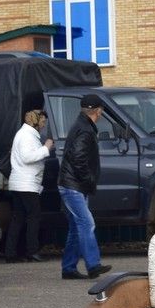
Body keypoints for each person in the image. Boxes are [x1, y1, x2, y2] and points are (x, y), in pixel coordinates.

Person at [58, 93, 111, 281]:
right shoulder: (85, 130)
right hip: (74, 186)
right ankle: (93, 265)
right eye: (102, 109)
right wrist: (88, 180)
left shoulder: (82, 125)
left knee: (76, 226)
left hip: (72, 184)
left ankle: (69, 268)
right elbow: (78, 158)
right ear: (98, 111)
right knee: (87, 223)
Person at [3, 109, 53, 263]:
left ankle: (11, 253)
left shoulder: (24, 134)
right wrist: (46, 148)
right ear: (36, 121)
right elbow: (27, 157)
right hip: (26, 184)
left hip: (20, 183)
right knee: (33, 217)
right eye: (43, 121)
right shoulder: (27, 136)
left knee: (18, 218)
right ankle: (32, 251)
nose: (44, 125)